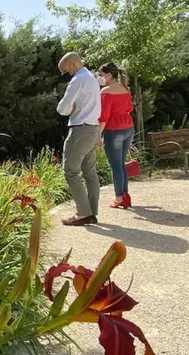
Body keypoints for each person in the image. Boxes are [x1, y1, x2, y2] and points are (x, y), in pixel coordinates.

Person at [56, 52, 102, 226]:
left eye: (65, 70)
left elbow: (62, 107)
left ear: (73, 63)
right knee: (90, 173)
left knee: (70, 172)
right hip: (93, 129)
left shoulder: (78, 80)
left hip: (81, 130)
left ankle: (82, 214)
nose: (66, 74)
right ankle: (91, 212)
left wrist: (69, 110)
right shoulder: (92, 78)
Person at [97, 63, 135, 209]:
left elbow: (104, 116)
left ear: (108, 75)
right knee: (121, 164)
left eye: (101, 75)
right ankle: (125, 195)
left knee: (115, 165)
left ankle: (119, 198)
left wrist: (98, 135)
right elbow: (129, 108)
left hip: (114, 130)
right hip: (128, 128)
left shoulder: (105, 92)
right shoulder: (125, 89)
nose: (99, 78)